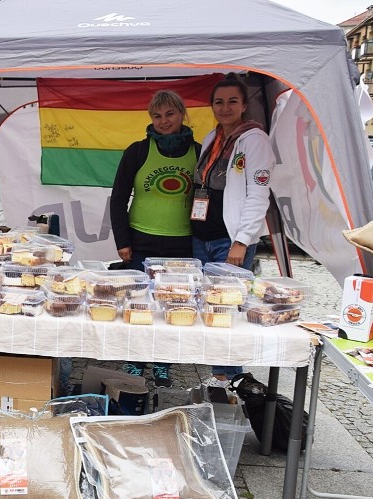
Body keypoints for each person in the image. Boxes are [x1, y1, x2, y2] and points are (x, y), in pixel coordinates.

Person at [109, 89, 200, 387]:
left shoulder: (199, 152)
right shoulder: (137, 151)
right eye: (157, 116)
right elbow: (118, 198)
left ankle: (163, 364)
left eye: (170, 114)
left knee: (173, 305)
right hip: (141, 240)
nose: (163, 121)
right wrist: (123, 241)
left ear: (182, 115)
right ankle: (135, 361)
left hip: (183, 242)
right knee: (139, 304)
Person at [192, 73, 274, 380]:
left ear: (244, 105)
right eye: (219, 102)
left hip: (230, 239)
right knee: (207, 307)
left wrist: (242, 241)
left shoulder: (255, 140)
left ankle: (230, 381)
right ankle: (216, 376)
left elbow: (258, 194)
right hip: (202, 236)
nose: (225, 108)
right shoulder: (212, 139)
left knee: (226, 310)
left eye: (232, 102)